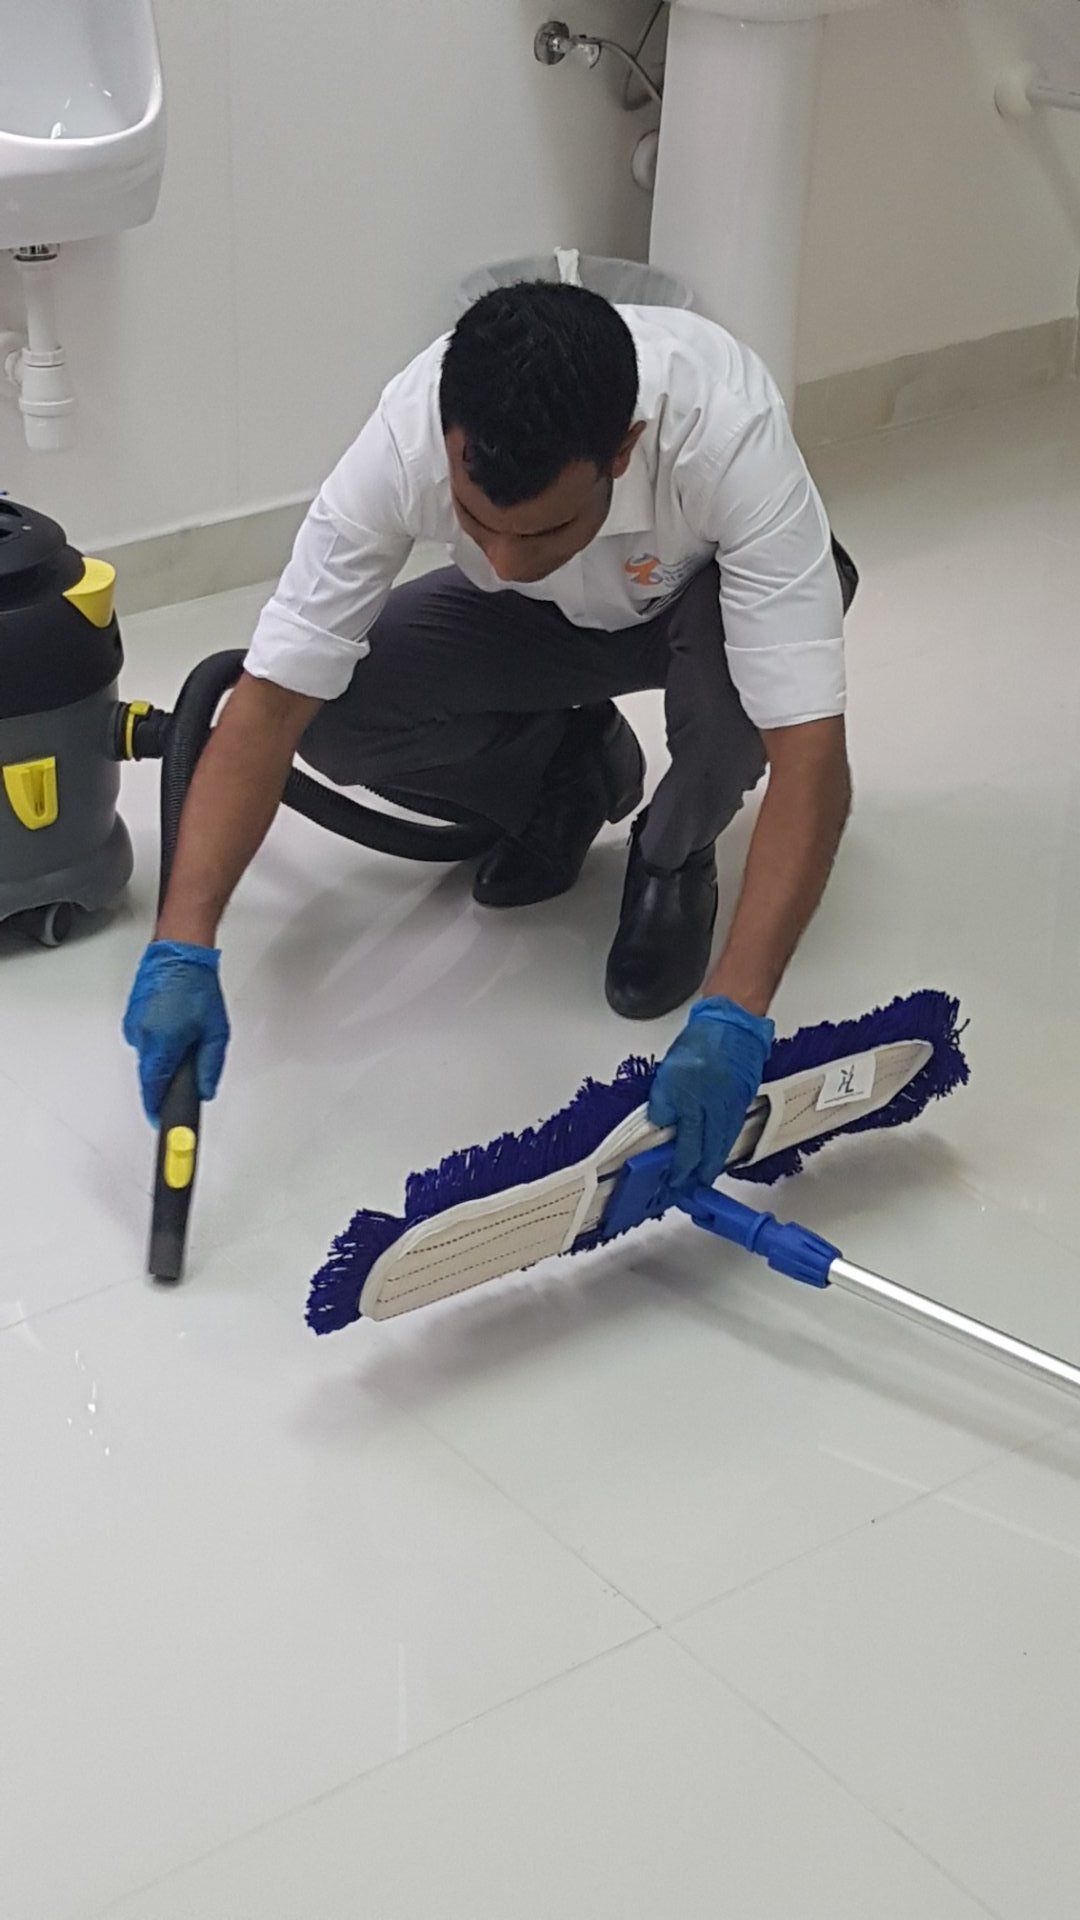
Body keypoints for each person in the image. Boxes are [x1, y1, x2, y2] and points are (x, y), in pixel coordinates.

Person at [124, 283, 857, 1190]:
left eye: (544, 526)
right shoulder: (408, 435)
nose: (504, 559)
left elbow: (811, 757)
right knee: (341, 715)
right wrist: (183, 944)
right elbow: (270, 702)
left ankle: (673, 852)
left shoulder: (726, 428)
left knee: (737, 720)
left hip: (699, 610)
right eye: (476, 523)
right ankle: (569, 768)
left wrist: (737, 1010)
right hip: (547, 627)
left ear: (622, 450)